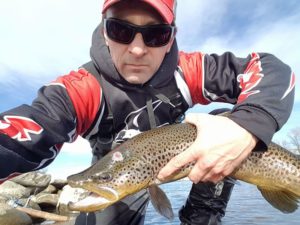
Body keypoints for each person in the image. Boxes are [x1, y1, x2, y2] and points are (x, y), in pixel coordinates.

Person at [0, 0, 295, 225]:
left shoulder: (187, 71)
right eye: (121, 31)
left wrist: (246, 126)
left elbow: (270, 69)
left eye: (154, 35)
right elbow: (18, 135)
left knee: (224, 121)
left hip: (179, 163)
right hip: (116, 172)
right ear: (105, 33)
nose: (138, 49)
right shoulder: (81, 90)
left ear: (170, 39)